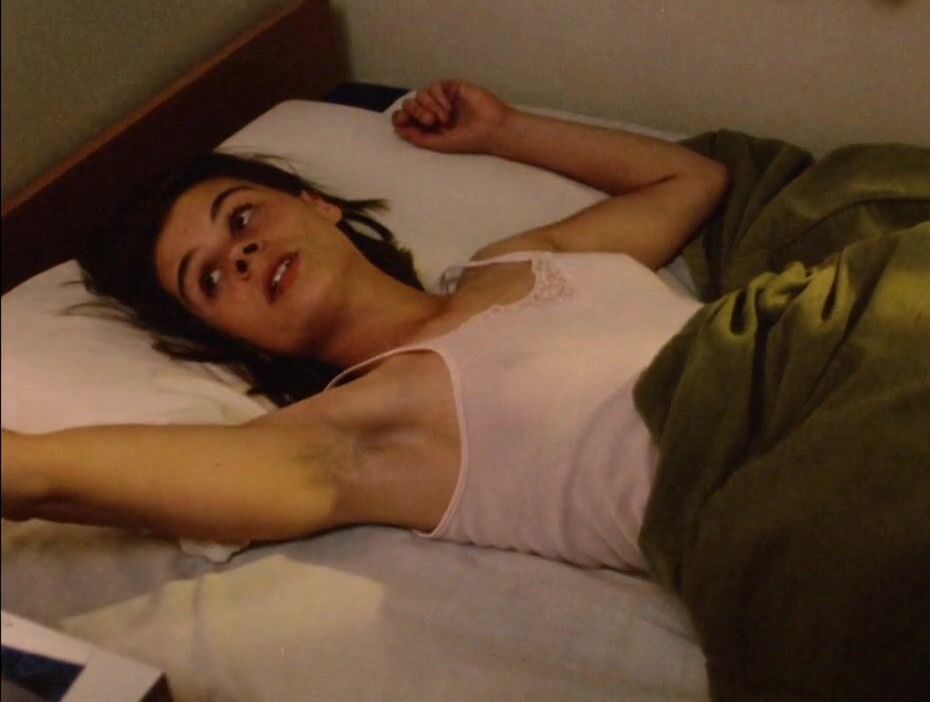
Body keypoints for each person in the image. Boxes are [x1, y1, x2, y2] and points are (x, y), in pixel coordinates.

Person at [0, 79, 729, 572]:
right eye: (210, 279)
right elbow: (34, 475)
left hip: (777, 349)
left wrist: (505, 129)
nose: (241, 255)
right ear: (232, 338)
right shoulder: (359, 430)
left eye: (243, 218)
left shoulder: (513, 261)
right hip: (750, 478)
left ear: (317, 204)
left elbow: (692, 179)